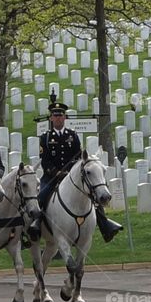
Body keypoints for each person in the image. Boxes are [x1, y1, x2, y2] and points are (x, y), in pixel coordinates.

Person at [35, 98, 122, 243]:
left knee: (93, 196)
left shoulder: (72, 135)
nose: (58, 118)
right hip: (52, 176)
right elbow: (45, 159)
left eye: (60, 115)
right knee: (41, 197)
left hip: (72, 176)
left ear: (65, 117)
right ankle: (36, 225)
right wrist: (56, 172)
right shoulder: (46, 137)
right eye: (55, 115)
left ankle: (105, 225)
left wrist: (71, 172)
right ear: (51, 118)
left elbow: (78, 156)